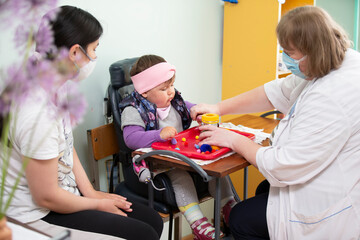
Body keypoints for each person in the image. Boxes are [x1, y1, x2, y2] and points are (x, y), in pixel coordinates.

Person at [190, 5, 360, 240]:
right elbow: (276, 91)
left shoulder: (331, 96)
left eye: (290, 53)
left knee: (240, 218)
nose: (285, 58)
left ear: (313, 51)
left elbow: (284, 166)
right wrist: (218, 108)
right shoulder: (335, 61)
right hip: (324, 178)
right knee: (262, 190)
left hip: (328, 206)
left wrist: (234, 139)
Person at [1, 6, 163, 240]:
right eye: (94, 49)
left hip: (60, 196)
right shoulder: (35, 111)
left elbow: (65, 145)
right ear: (75, 52)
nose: (95, 57)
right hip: (35, 213)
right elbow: (45, 196)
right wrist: (94, 204)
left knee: (151, 220)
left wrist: (91, 193)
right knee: (142, 234)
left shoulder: (55, 80)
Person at [119, 54, 237, 240]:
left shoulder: (174, 101)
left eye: (172, 85)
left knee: (214, 169)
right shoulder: (133, 109)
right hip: (158, 164)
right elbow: (131, 139)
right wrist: (159, 134)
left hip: (181, 156)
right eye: (164, 88)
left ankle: (229, 207)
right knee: (180, 177)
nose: (171, 92)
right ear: (144, 92)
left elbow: (190, 108)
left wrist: (199, 113)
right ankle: (197, 222)